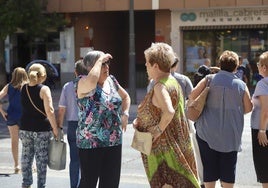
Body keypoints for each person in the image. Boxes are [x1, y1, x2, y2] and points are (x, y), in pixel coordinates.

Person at [133, 42, 200, 187]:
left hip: (165, 151)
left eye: (147, 64)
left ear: (155, 66)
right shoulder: (172, 81)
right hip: (176, 143)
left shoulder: (160, 86)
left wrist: (157, 130)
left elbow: (169, 111)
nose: (145, 67)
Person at [189, 50, 252, 188]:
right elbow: (248, 108)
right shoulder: (241, 85)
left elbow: (192, 95)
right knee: (228, 174)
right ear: (236, 67)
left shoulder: (209, 79)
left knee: (209, 172)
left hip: (206, 132)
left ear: (220, 64)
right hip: (230, 135)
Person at [74, 50, 131, 188]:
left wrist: (125, 113)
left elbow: (125, 97)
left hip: (113, 141)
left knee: (110, 183)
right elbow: (92, 81)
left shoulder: (111, 80)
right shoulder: (82, 82)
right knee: (89, 182)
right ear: (90, 67)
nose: (106, 67)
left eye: (107, 63)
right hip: (91, 142)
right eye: (102, 64)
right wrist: (99, 60)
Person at [19, 63, 59, 188]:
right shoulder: (44, 89)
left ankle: (26, 183)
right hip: (42, 129)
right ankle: (41, 185)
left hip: (25, 128)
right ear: (43, 76)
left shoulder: (23, 88)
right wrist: (55, 128)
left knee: (26, 157)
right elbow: (50, 111)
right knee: (41, 160)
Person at [57, 59, 88, 188]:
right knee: (87, 161)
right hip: (88, 125)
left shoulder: (67, 86)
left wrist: (59, 126)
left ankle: (73, 186)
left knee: (74, 160)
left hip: (72, 125)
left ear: (75, 72)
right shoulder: (91, 85)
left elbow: (62, 109)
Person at [0, 67, 28, 173]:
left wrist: (2, 111)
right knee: (27, 142)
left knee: (14, 141)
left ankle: (16, 165)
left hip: (11, 115)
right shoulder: (27, 86)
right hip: (25, 117)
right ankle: (30, 164)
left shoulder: (8, 86)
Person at [250, 51, 268, 188]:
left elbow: (265, 110)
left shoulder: (263, 83)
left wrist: (262, 130)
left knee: (264, 167)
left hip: (263, 128)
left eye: (259, 64)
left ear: (264, 67)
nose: (257, 66)